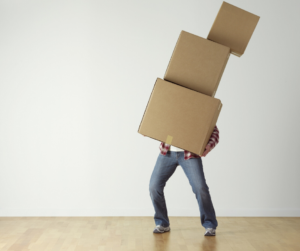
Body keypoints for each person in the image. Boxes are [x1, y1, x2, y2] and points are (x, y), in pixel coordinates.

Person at [149, 125, 219, 236]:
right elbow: (157, 121)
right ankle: (162, 223)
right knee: (154, 186)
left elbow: (214, 131)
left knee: (200, 188)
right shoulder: (169, 107)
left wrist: (209, 146)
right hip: (167, 152)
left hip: (190, 153)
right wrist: (149, 128)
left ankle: (209, 224)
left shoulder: (200, 109)